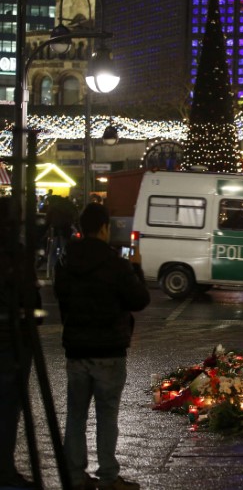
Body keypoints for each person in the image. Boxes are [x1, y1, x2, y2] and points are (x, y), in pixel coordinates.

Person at [54, 203, 150, 490]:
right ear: (105, 228)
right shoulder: (116, 264)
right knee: (107, 417)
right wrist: (137, 269)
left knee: (76, 416)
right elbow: (139, 301)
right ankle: (108, 476)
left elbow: (62, 299)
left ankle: (74, 476)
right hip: (109, 350)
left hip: (77, 349)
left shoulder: (66, 263)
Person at [0, 198, 37, 489]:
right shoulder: (17, 254)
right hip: (11, 343)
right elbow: (30, 302)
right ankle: (4, 469)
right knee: (9, 409)